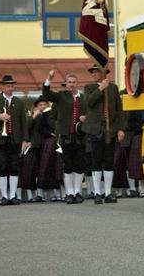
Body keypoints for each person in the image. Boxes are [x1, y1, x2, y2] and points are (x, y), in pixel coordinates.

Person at [42, 70, 87, 204]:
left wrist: (86, 118)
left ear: (77, 83)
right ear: (66, 84)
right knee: (67, 165)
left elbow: (91, 113)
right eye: (69, 82)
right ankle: (69, 193)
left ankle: (77, 192)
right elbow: (46, 94)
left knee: (79, 165)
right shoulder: (61, 96)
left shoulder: (84, 97)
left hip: (80, 135)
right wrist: (49, 78)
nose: (71, 85)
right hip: (65, 135)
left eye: (74, 82)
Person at [83, 65, 125, 204]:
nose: (94, 74)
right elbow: (89, 103)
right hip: (95, 129)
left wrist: (120, 129)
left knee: (108, 161)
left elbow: (119, 110)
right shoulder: (89, 88)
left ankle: (107, 193)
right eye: (93, 72)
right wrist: (100, 88)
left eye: (97, 72)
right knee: (96, 161)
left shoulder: (113, 88)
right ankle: (97, 193)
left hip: (110, 129)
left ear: (103, 73)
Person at [0, 75, 28, 205]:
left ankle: (12, 195)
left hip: (15, 138)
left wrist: (25, 139)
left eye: (12, 85)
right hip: (0, 139)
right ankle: (4, 196)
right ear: (3, 87)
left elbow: (23, 123)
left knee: (14, 166)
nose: (10, 88)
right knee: (2, 166)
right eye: (8, 86)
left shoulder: (19, 102)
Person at [20, 96, 48, 202]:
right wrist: (33, 117)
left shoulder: (48, 115)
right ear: (36, 107)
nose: (42, 107)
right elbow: (26, 128)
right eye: (40, 105)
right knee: (32, 170)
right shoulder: (32, 116)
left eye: (44, 104)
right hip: (34, 145)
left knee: (42, 170)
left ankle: (41, 194)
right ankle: (32, 195)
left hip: (44, 145)